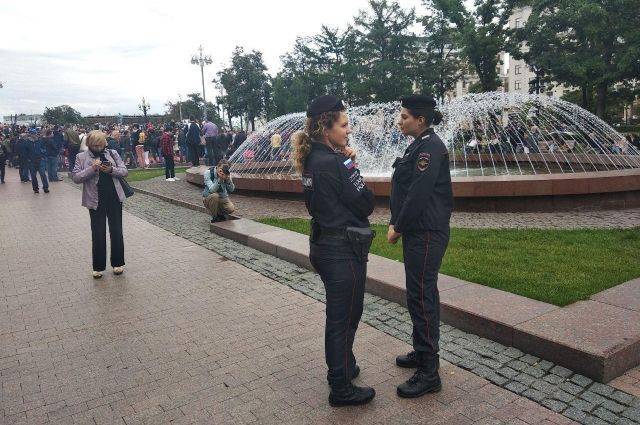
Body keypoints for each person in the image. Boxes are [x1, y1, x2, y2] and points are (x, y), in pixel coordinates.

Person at [291, 95, 376, 407]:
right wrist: (351, 162)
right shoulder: (336, 162)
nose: (348, 130)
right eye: (343, 124)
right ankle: (340, 388)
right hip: (341, 249)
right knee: (344, 318)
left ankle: (344, 367)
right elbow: (365, 202)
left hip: (323, 245)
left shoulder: (313, 157)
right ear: (326, 128)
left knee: (342, 315)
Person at [388, 95, 452, 399]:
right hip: (419, 232)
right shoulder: (418, 145)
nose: (400, 121)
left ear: (421, 121)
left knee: (423, 296)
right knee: (418, 294)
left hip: (425, 232)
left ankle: (429, 372)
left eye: (404, 116)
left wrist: (398, 226)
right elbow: (403, 187)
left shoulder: (430, 147)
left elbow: (418, 193)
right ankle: (421, 351)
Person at [72, 130, 128, 279]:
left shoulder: (113, 153)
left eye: (101, 144)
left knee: (116, 231)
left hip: (114, 197)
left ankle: (117, 263)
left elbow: (124, 171)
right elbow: (76, 177)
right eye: (95, 145)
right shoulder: (81, 157)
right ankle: (98, 267)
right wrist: (92, 168)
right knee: (98, 233)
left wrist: (110, 169)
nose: (98, 147)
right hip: (95, 200)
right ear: (90, 144)